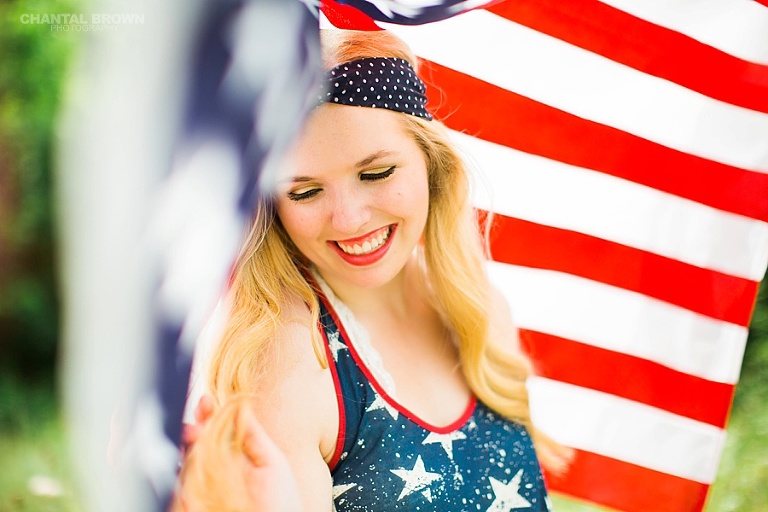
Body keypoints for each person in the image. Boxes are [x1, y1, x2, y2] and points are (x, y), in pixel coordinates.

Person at [174, 29, 571, 512]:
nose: (349, 219)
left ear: (431, 162)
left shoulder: (478, 306)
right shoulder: (282, 359)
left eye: (376, 174)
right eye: (304, 192)